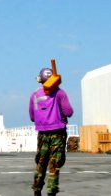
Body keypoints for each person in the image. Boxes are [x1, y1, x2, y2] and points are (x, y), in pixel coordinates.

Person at [29, 68, 74, 196]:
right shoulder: (60, 93)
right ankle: (51, 191)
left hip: (42, 133)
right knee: (54, 162)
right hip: (58, 133)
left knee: (41, 162)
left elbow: (32, 117)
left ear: (40, 79)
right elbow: (68, 112)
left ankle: (37, 189)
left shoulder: (35, 94)